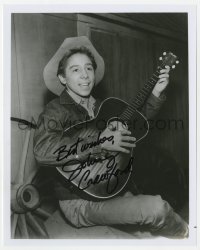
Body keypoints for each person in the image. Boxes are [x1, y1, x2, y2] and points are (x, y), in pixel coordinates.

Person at [33, 36, 188, 238]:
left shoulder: (104, 106)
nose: (85, 76)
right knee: (157, 208)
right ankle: (188, 235)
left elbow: (136, 124)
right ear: (63, 78)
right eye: (75, 70)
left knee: (151, 231)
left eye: (89, 68)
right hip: (79, 201)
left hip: (114, 187)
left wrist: (156, 93)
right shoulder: (55, 110)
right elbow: (42, 151)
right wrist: (100, 142)